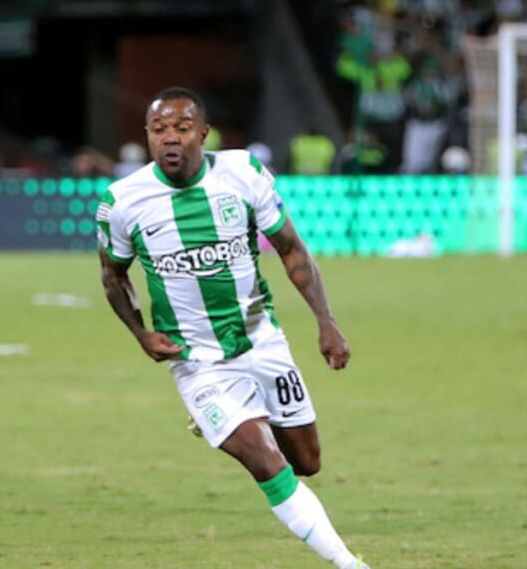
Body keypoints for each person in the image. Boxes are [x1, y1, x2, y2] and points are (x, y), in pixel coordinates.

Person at [95, 87, 371, 569]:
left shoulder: (242, 174)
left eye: (182, 128)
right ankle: (351, 564)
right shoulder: (123, 200)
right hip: (197, 363)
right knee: (269, 463)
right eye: (160, 130)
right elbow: (112, 275)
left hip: (262, 341)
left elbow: (291, 249)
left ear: (203, 133)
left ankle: (225, 420)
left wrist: (326, 323)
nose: (170, 139)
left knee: (307, 461)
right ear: (147, 137)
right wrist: (140, 333)